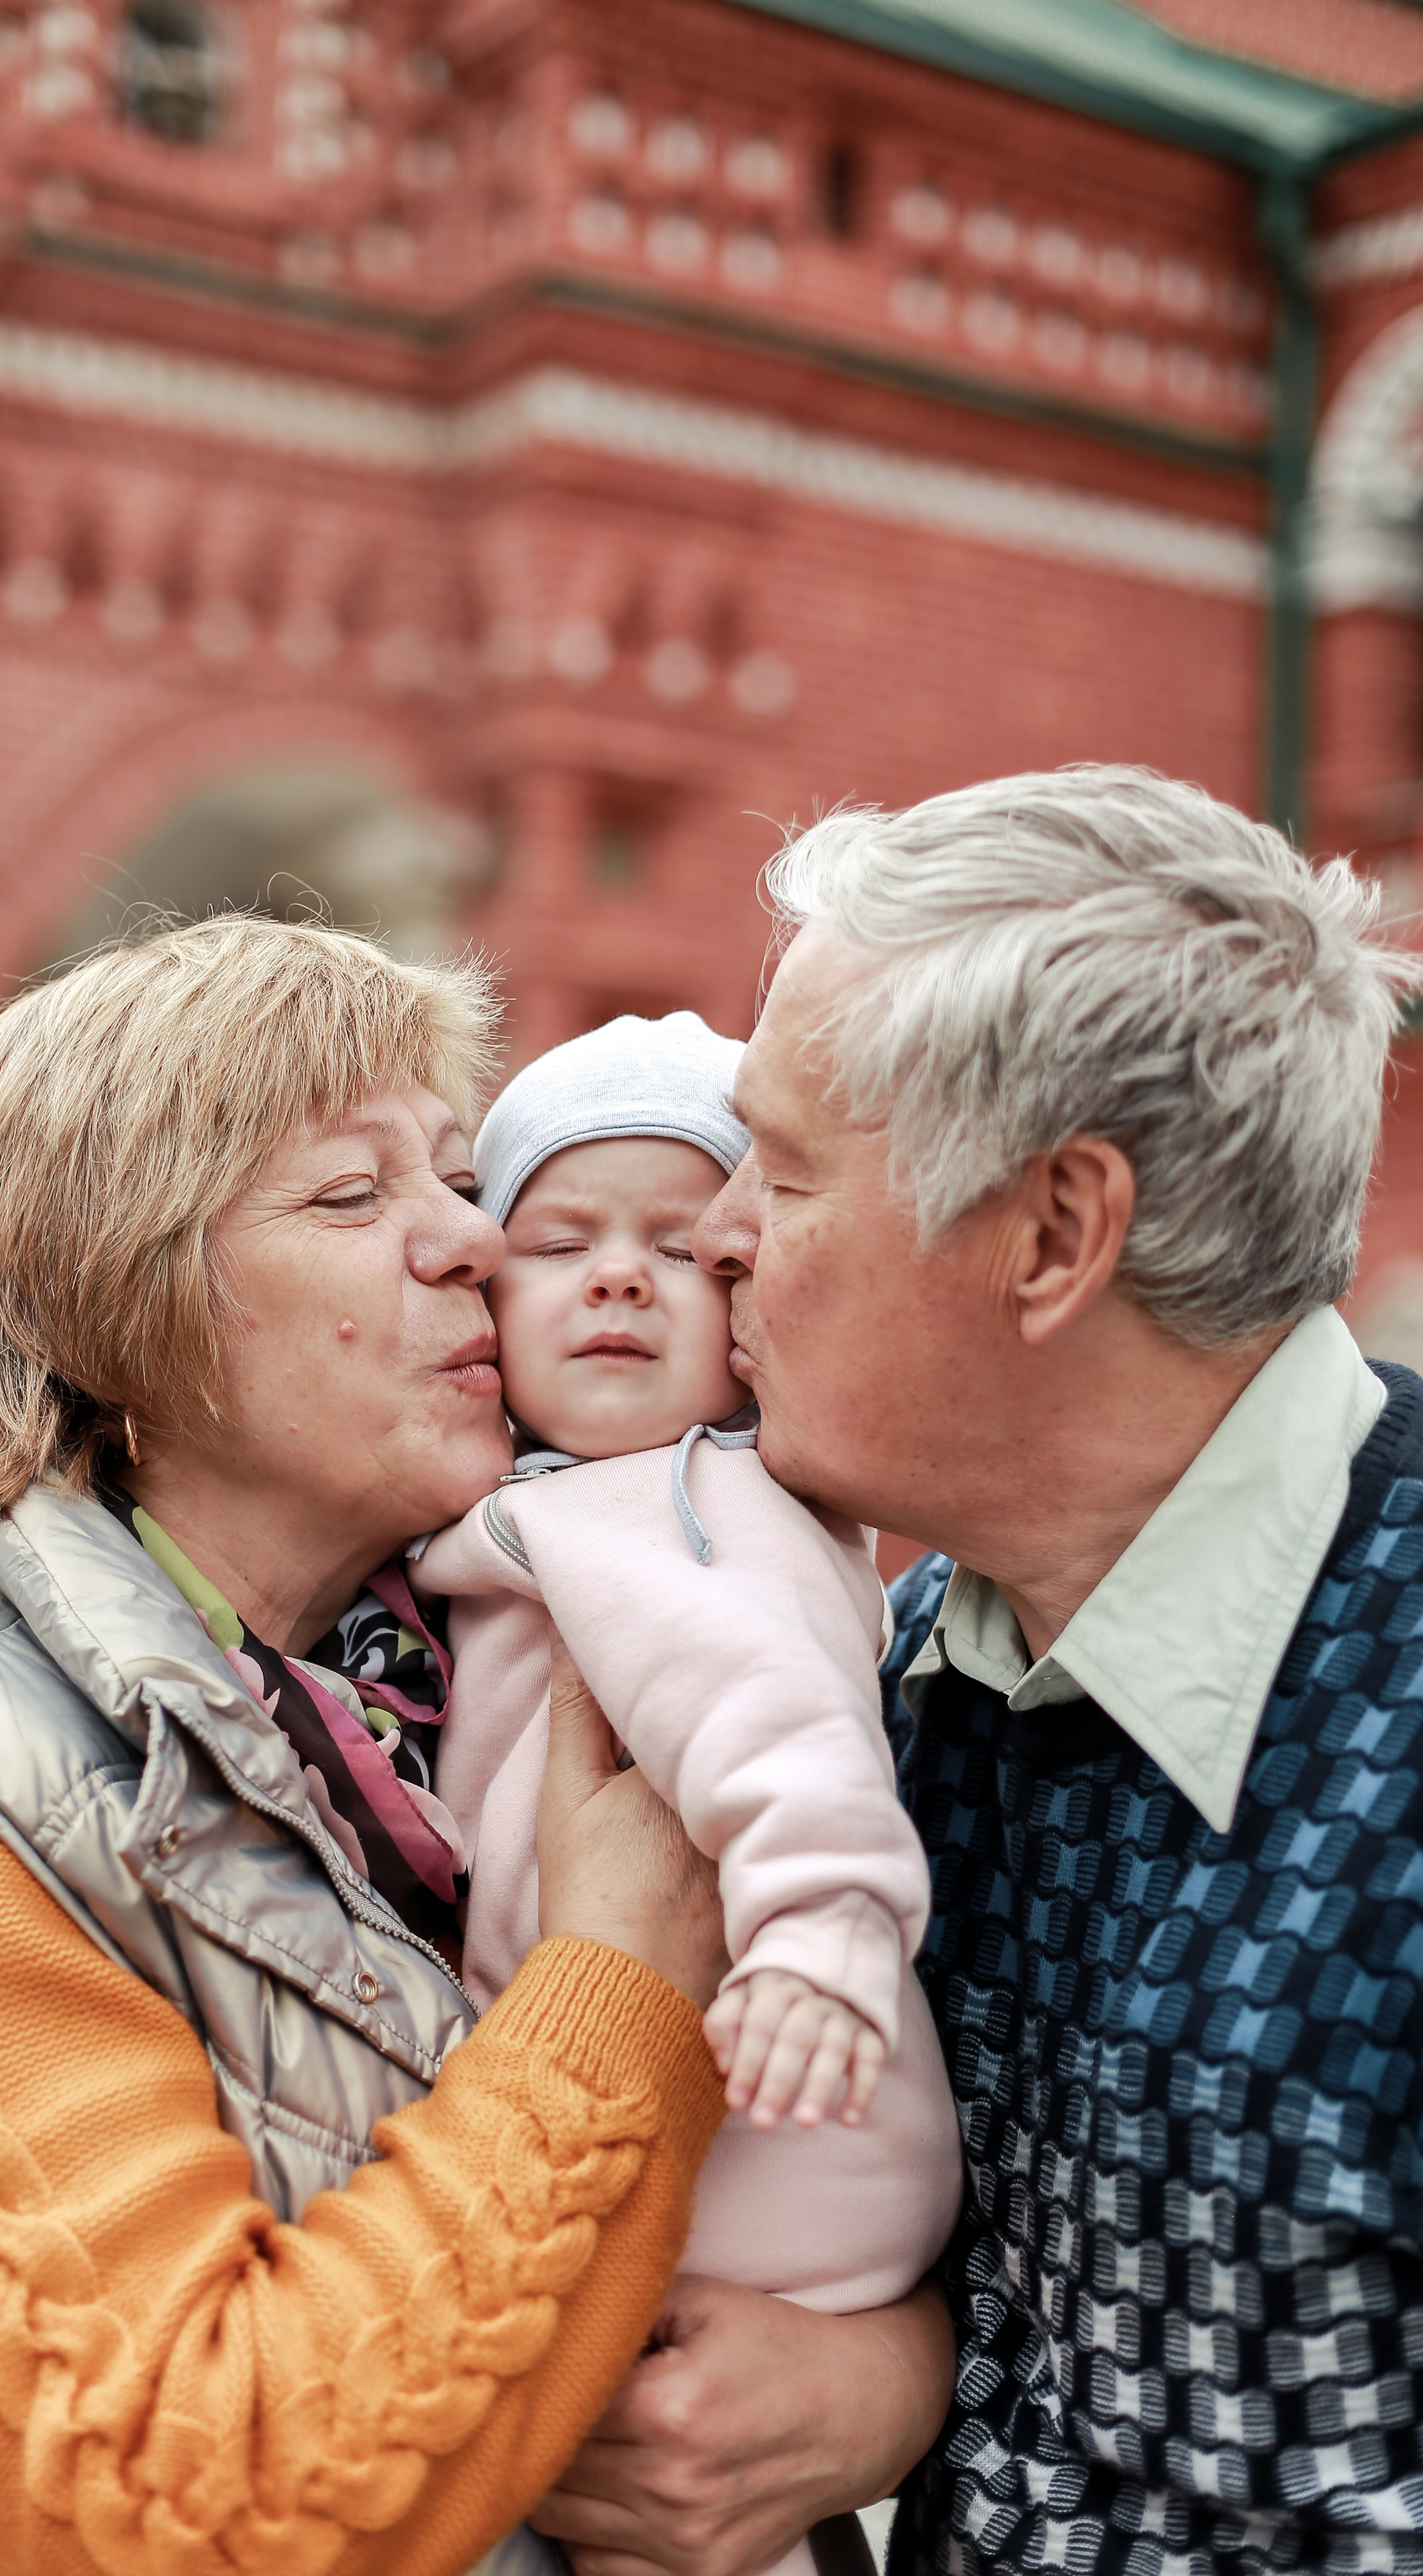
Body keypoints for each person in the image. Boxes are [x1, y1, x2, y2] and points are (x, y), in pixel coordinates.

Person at [0, 918, 740, 2576]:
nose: (474, 1240)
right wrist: (620, 1991)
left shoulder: (443, 1685)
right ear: (113, 1303)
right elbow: (168, 2522)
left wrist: (869, 2383)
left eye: (458, 1178)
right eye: (350, 1196)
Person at [583, 762, 1421, 2576]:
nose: (720, 1235)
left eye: (789, 1172)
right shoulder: (890, 1673)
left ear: (1055, 1234)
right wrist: (889, 2379)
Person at [423, 1010, 963, 2576]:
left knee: (653, 2496)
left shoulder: (692, 1511)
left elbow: (777, 1720)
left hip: (767, 2126)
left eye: (683, 1248)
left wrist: (819, 1929)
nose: (615, 1275)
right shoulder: (564, 1509)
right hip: (717, 2123)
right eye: (557, 1239)